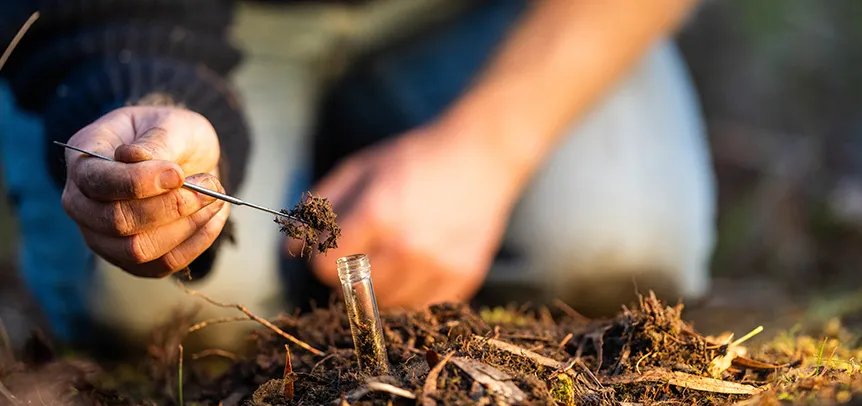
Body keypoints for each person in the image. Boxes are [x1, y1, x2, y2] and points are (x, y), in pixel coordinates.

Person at [0, 0, 716, 355]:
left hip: (481, 15)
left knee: (615, 247)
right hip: (200, 21)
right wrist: (148, 94)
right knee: (164, 318)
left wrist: (487, 151)